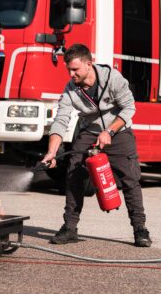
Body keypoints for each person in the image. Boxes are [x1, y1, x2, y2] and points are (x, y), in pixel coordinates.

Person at [42, 44, 151, 248]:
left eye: (75, 70)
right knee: (74, 174)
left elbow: (129, 107)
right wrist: (51, 152)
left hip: (119, 131)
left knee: (131, 179)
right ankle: (70, 228)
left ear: (89, 64)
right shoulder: (70, 90)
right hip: (89, 131)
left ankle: (140, 229)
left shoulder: (113, 78)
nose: (71, 74)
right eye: (68, 70)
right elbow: (61, 121)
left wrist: (109, 131)